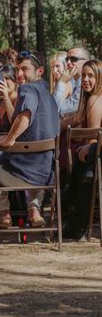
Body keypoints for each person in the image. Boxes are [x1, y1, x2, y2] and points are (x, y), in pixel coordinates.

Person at [0, 50, 59, 229]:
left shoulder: (27, 89)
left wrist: (9, 139)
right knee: (33, 156)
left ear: (40, 71)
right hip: (47, 176)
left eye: (25, 69)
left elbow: (24, 117)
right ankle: (34, 209)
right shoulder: (49, 94)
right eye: (18, 70)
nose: (20, 74)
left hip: (22, 176)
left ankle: (3, 212)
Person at [61, 60, 102, 240]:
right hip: (95, 155)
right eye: (84, 75)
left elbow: (93, 138)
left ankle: (74, 223)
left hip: (96, 155)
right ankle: (74, 221)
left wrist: (87, 146)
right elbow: (71, 120)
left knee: (86, 171)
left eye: (91, 76)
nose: (85, 79)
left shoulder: (95, 99)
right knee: (83, 171)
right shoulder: (88, 100)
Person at [54, 46, 90, 117]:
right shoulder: (75, 83)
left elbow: (57, 109)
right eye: (67, 59)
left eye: (73, 59)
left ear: (86, 62)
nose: (68, 62)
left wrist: (61, 82)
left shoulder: (86, 84)